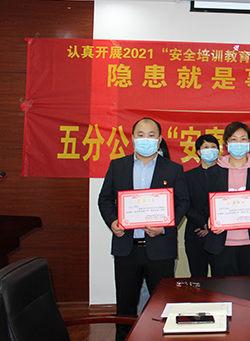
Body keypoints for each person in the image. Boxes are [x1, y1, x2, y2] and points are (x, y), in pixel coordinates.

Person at [98, 117, 189, 341]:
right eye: (140, 135)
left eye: (151, 135)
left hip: (160, 248)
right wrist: (112, 222)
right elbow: (105, 199)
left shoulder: (173, 168)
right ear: (132, 138)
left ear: (159, 140)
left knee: (162, 305)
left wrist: (165, 227)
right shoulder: (117, 166)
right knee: (125, 306)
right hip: (126, 248)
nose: (145, 139)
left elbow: (183, 202)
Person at [204, 121, 250, 277]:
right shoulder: (214, 172)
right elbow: (204, 203)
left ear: (249, 142)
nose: (239, 143)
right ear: (226, 143)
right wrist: (209, 218)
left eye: (243, 139)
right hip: (222, 244)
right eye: (234, 139)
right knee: (223, 290)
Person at [184, 134, 220, 278]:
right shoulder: (187, 176)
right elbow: (185, 204)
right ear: (198, 152)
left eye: (213, 147)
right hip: (195, 233)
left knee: (221, 278)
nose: (210, 150)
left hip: (219, 235)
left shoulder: (226, 174)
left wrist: (212, 225)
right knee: (198, 277)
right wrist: (203, 223)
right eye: (206, 147)